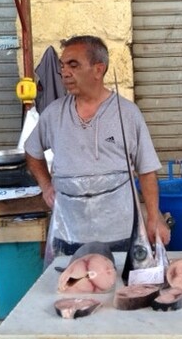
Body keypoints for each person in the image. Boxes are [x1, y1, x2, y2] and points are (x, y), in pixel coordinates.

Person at [24, 35, 171, 264]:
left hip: (120, 232)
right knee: (69, 290)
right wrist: (45, 186)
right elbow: (32, 152)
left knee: (117, 291)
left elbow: (147, 170)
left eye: (73, 65)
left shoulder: (127, 113)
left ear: (98, 69)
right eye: (63, 66)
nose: (64, 73)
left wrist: (153, 217)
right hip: (68, 234)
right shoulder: (53, 114)